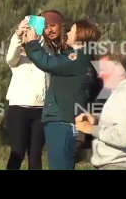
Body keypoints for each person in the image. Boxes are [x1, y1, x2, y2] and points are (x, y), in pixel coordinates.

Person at [22, 19, 100, 170]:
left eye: (72, 30)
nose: (68, 33)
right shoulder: (85, 58)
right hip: (66, 120)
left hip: (62, 121)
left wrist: (32, 42)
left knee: (60, 165)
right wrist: (27, 43)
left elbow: (48, 63)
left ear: (80, 36)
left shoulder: (77, 58)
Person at [75, 54, 126, 170]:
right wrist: (96, 119)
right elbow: (125, 122)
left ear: (120, 70)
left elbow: (124, 137)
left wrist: (90, 129)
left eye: (103, 70)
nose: (99, 74)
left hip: (120, 165)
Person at [5, 17, 52, 170]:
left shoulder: (45, 55)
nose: (27, 35)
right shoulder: (18, 59)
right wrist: (17, 36)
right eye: (25, 33)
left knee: (35, 154)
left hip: (40, 110)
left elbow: (48, 59)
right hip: (19, 109)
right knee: (17, 152)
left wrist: (37, 40)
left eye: (30, 32)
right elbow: (11, 57)